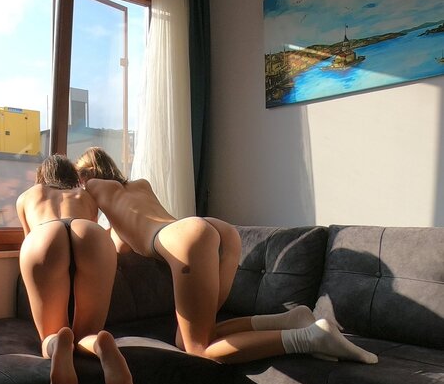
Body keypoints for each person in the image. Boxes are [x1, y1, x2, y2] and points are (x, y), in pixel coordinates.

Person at [76, 147, 377, 366]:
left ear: (86, 174)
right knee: (192, 336)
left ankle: (310, 338)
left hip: (185, 239)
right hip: (218, 231)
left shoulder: (92, 187)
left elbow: (85, 232)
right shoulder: (139, 186)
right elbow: (125, 237)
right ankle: (291, 319)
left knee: (198, 349)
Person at [16, 154, 134, 384]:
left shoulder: (27, 196)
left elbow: (28, 240)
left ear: (41, 176)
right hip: (89, 232)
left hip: (43, 233)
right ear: (72, 176)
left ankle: (57, 343)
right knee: (88, 331)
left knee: (49, 333)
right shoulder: (85, 195)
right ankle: (100, 344)